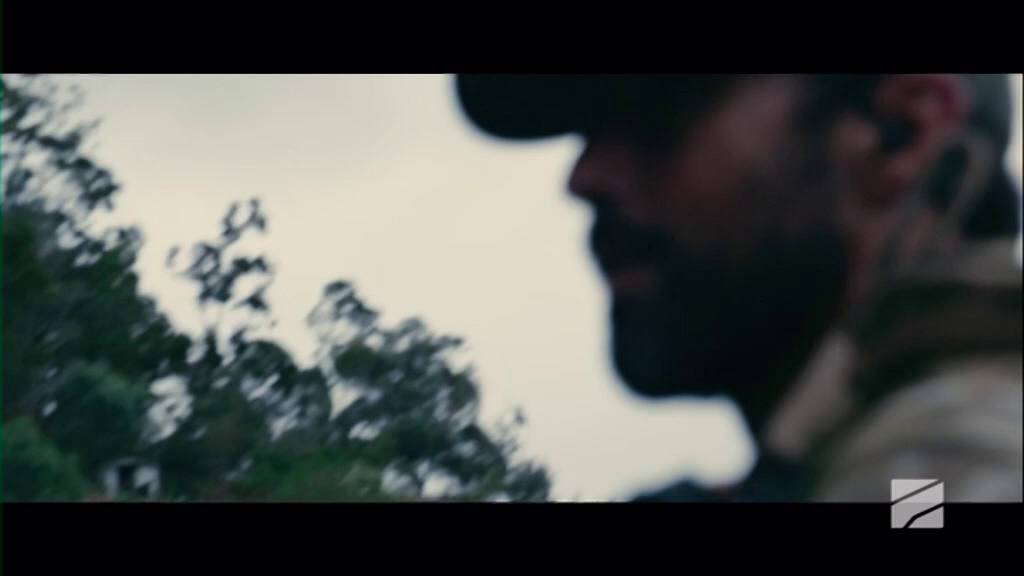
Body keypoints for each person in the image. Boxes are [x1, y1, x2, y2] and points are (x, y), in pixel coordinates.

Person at [455, 74, 1022, 502]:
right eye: (591, 131)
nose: (583, 178)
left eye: (657, 115)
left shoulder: (957, 461)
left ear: (903, 136)